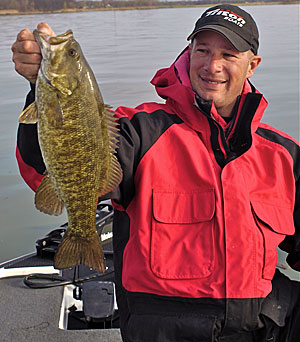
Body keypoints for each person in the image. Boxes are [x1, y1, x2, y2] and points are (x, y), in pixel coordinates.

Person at [11, 4, 300, 342]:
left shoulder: (284, 156)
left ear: (252, 65)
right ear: (188, 52)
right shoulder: (138, 133)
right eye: (202, 50)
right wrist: (39, 89)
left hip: (268, 326)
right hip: (171, 332)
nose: (212, 66)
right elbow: (43, 167)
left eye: (228, 54)